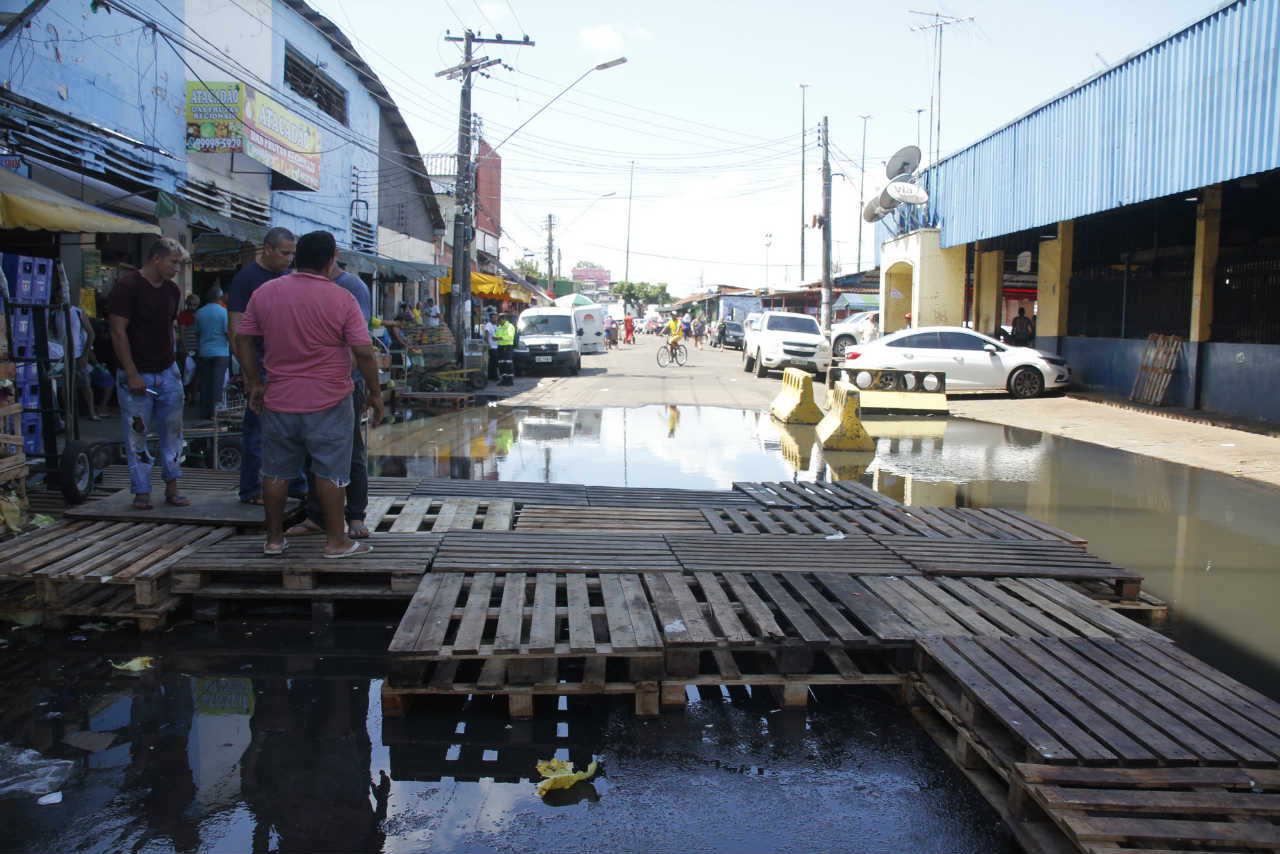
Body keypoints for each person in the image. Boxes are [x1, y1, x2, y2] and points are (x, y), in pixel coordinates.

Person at [235, 230, 383, 558]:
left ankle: (274, 540)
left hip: (279, 398)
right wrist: (375, 392)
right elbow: (364, 352)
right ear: (331, 261)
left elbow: (242, 339)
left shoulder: (265, 292)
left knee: (275, 471)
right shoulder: (341, 298)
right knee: (331, 472)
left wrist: (255, 382)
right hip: (330, 400)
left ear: (297, 258)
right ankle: (336, 542)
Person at [288, 265, 375, 541]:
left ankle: (356, 514)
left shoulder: (352, 287)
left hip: (343, 385)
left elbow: (358, 345)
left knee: (350, 451)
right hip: (310, 384)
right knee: (314, 451)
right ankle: (317, 516)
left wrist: (348, 382)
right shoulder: (299, 289)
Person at [107, 236, 189, 510]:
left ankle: (173, 485)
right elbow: (118, 331)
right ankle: (141, 490)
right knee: (137, 433)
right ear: (157, 258)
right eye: (173, 262)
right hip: (137, 370)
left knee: (173, 431)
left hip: (167, 370)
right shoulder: (127, 287)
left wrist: (178, 362)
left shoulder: (172, 291)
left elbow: (171, 327)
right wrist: (131, 372)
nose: (176, 269)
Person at [227, 226, 298, 505]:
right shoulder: (247, 279)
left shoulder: (288, 277)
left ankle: (294, 484)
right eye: (284, 253)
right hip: (258, 362)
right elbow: (235, 329)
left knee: (291, 429)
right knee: (257, 428)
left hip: (285, 363)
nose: (289, 259)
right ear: (267, 249)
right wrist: (249, 372)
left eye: (292, 254)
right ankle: (251, 489)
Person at [194, 286, 230, 419]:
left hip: (204, 352)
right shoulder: (224, 312)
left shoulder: (199, 312)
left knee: (205, 383)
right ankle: (215, 413)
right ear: (220, 298)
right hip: (221, 353)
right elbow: (228, 332)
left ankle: (204, 412)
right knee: (218, 383)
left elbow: (197, 333)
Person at [494, 312, 516, 385]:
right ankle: (503, 379)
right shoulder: (500, 327)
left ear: (504, 319)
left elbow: (510, 337)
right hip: (500, 348)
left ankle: (509, 380)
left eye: (500, 320)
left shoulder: (510, 326)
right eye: (498, 320)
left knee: (508, 364)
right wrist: (495, 337)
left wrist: (500, 338)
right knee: (501, 364)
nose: (499, 322)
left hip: (507, 347)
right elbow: (496, 335)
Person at [483, 310, 499, 381]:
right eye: (493, 318)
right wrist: (488, 344)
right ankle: (494, 376)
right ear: (490, 318)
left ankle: (491, 376)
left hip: (496, 346)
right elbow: (486, 335)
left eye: (495, 317)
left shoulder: (495, 325)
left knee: (493, 362)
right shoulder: (488, 325)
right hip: (491, 346)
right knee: (493, 362)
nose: (495, 319)